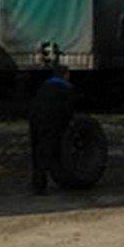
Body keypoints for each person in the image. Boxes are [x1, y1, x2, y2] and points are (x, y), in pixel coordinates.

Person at [29, 66, 75, 194]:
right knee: (50, 151)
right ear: (65, 75)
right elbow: (68, 110)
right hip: (52, 122)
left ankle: (37, 182)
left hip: (36, 120)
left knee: (37, 150)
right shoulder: (65, 88)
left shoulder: (44, 87)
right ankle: (44, 183)